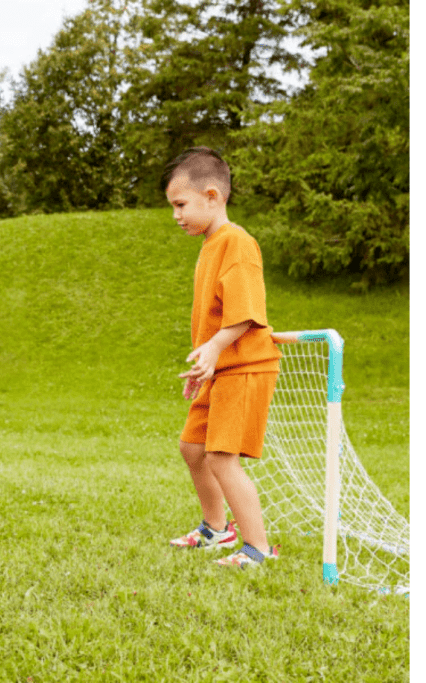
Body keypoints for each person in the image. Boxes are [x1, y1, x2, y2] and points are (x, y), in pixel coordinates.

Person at [162, 147, 282, 568]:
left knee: (220, 457)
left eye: (181, 204)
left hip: (245, 367)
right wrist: (205, 365)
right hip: (219, 370)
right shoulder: (211, 245)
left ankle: (258, 549)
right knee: (192, 448)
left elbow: (247, 314)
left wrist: (214, 348)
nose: (175, 215)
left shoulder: (237, 243)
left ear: (212, 196)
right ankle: (216, 529)